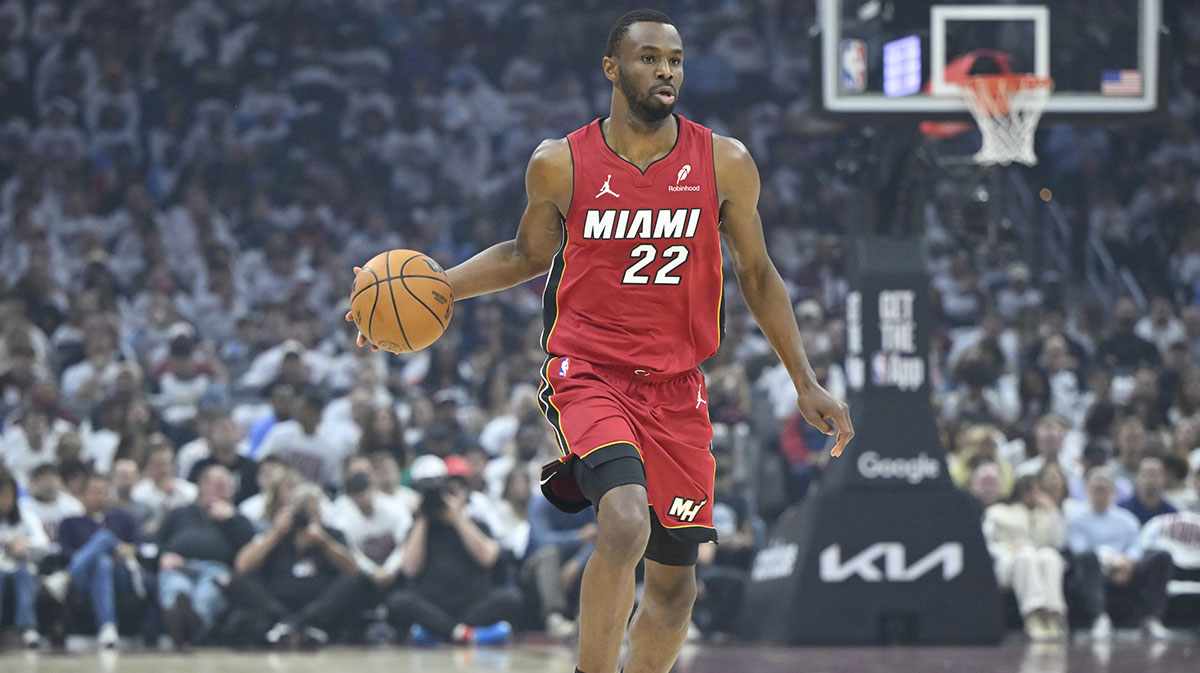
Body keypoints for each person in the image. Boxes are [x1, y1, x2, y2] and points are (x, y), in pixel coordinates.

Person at [348, 10, 852, 672]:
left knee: (674, 588)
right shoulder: (560, 162)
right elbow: (527, 254)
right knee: (622, 520)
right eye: (648, 58)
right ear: (612, 68)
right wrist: (436, 285)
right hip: (589, 372)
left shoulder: (724, 162)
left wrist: (804, 379)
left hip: (678, 387)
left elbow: (757, 275)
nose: (665, 70)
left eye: (674, 59)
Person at [384, 456, 521, 646]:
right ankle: (464, 633)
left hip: (472, 601)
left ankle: (441, 633)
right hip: (432, 603)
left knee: (511, 597)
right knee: (397, 601)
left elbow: (488, 557)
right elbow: (409, 569)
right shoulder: (419, 528)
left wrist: (457, 518)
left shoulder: (475, 523)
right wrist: (422, 518)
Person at [229, 483, 362, 647]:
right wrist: (276, 532)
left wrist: (324, 542)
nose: (308, 517)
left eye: (313, 511)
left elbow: (353, 570)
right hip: (277, 604)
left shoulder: (331, 535)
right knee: (237, 581)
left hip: (318, 605)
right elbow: (242, 566)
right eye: (303, 512)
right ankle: (294, 625)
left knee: (355, 581)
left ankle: (294, 625)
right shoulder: (276, 534)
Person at [156, 465, 256, 648]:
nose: (223, 492)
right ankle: (180, 616)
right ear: (202, 487)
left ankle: (188, 625)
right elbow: (158, 542)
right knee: (177, 588)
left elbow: (247, 548)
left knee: (206, 596)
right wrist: (164, 556)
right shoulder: (180, 513)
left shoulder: (238, 519)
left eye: (227, 487)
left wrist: (230, 520)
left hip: (216, 570)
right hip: (180, 566)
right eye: (218, 486)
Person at [1067, 467, 1173, 640]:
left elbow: (1136, 545)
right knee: (1086, 558)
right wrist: (1110, 561)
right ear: (1087, 491)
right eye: (1096, 489)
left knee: (1162, 556)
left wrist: (1128, 560)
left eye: (1104, 490)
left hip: (1126, 567)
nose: (1100, 494)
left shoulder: (1126, 518)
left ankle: (1151, 619)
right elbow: (1078, 547)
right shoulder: (1076, 518)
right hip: (1095, 568)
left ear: (1113, 492)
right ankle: (1099, 618)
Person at [50, 472, 145, 648]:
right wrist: (87, 558)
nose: (100, 497)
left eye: (104, 492)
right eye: (95, 492)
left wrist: (125, 550)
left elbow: (139, 546)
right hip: (84, 579)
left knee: (105, 538)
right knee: (102, 562)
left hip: (123, 574)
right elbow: (63, 551)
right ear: (82, 495)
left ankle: (63, 578)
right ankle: (107, 627)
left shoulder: (123, 518)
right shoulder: (70, 523)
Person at [982, 475, 1068, 641]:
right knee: (1026, 555)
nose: (1034, 496)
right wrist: (1007, 551)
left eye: (1038, 491)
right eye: (1030, 491)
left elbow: (1059, 542)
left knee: (1050, 556)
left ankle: (1052, 614)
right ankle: (1033, 614)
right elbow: (986, 542)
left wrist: (1053, 511)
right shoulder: (998, 512)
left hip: (1038, 561)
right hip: (1009, 563)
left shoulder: (1045, 515)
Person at [0, 469, 50, 648]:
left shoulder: (26, 515)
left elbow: (44, 542)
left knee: (24, 573)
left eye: (7, 494)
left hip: (22, 567)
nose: (3, 499)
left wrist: (25, 544)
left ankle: (28, 627)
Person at [1118, 456, 1179, 525]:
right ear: (1137, 477)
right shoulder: (1122, 509)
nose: (1151, 480)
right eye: (1146, 474)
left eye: (1155, 475)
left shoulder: (1172, 514)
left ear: (1163, 478)